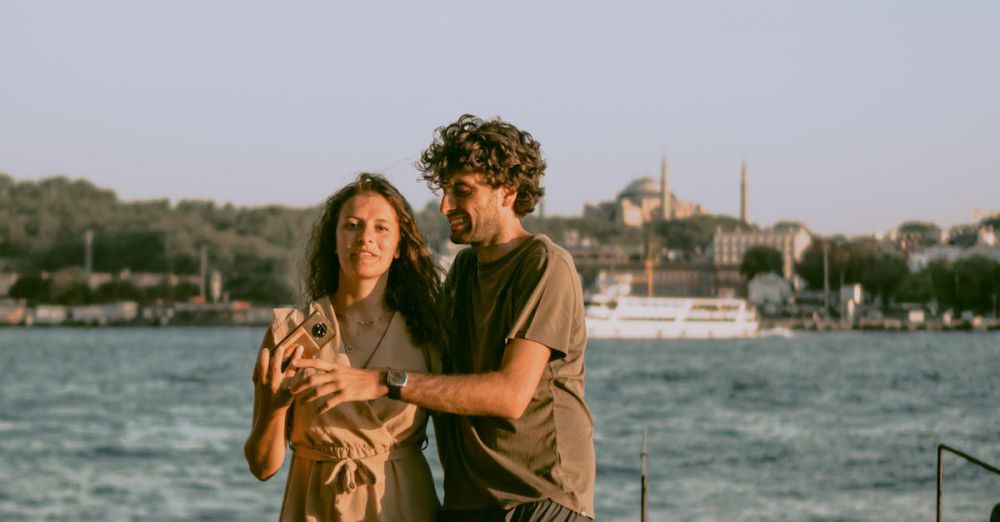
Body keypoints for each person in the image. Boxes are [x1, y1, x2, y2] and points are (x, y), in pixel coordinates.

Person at [292, 114, 596, 521]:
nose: (445, 205)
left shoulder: (544, 266)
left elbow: (510, 395)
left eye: (462, 190)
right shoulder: (463, 272)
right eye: (445, 190)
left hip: (534, 500)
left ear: (508, 191)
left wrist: (383, 381)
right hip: (465, 504)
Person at [244, 173, 442, 521]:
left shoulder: (424, 332)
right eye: (352, 225)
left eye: (381, 228)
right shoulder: (292, 332)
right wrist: (274, 409)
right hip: (315, 507)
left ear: (398, 247)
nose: (365, 237)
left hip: (404, 505)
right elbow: (262, 468)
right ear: (334, 241)